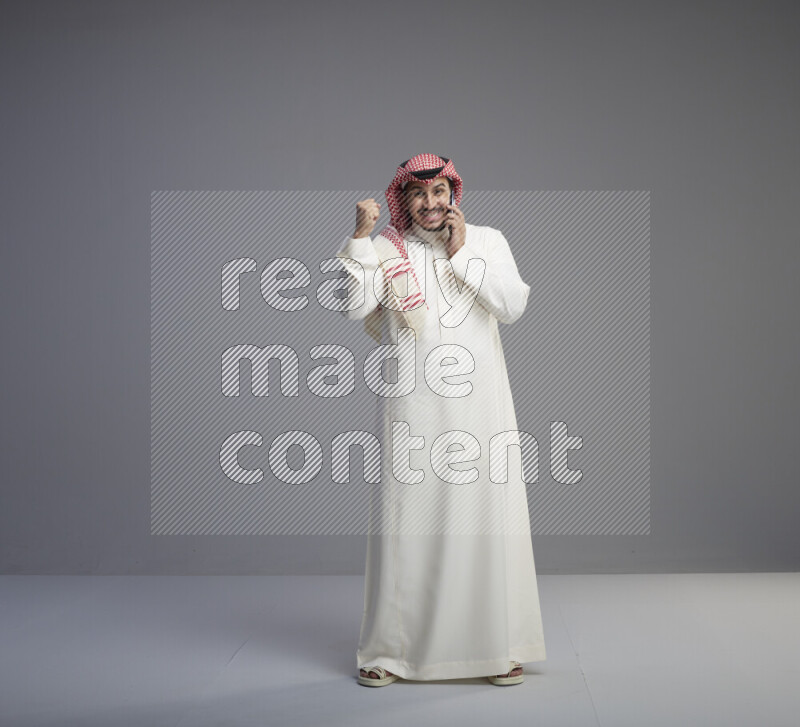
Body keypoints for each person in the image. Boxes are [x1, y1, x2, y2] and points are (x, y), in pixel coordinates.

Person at [334, 153, 546, 687]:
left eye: (439, 193)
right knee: (406, 524)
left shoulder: (488, 240)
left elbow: (513, 306)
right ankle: (389, 652)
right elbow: (352, 306)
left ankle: (497, 648)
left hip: (481, 408)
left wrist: (460, 254)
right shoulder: (386, 249)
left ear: (453, 195)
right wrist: (360, 238)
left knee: (483, 519)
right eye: (418, 194)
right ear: (403, 201)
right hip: (412, 407)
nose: (430, 203)